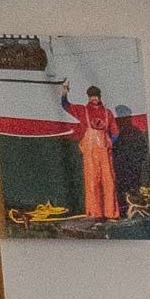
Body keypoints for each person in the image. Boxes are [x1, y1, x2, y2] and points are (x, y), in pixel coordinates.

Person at [60, 82, 118, 223]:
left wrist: (110, 143)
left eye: (96, 97)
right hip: (90, 152)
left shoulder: (107, 113)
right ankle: (95, 214)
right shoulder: (82, 110)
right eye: (91, 97)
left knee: (109, 181)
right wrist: (64, 92)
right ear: (88, 97)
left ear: (99, 97)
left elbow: (115, 132)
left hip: (104, 152)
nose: (94, 99)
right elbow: (65, 105)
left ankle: (111, 214)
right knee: (92, 182)